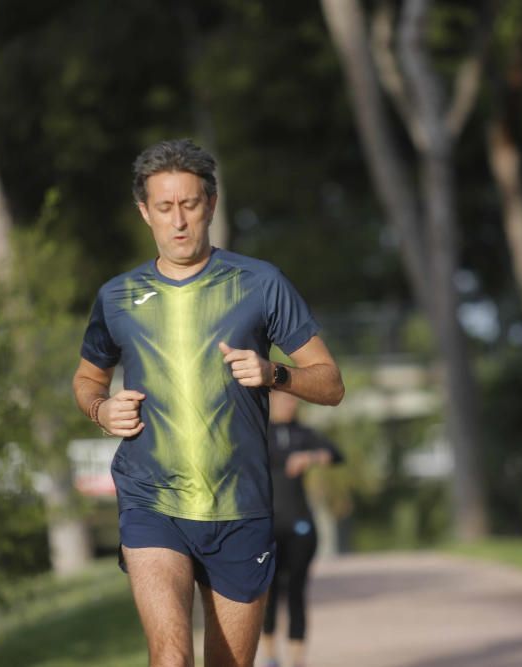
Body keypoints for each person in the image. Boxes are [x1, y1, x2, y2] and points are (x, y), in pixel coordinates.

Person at [72, 138, 344, 667]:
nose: (178, 222)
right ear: (144, 212)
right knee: (171, 657)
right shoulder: (117, 297)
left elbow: (331, 383)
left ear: (211, 205)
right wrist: (100, 410)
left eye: (190, 205)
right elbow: (87, 378)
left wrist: (274, 373)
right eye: (165, 208)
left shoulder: (261, 283)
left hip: (239, 507)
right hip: (152, 502)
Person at [259, 390, 343, 667]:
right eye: (282, 399)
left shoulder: (303, 434)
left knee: (296, 591)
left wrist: (311, 457)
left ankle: (297, 660)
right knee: (268, 593)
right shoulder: (259, 431)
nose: (288, 404)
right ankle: (270, 656)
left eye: (292, 400)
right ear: (270, 401)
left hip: (300, 524)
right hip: (267, 527)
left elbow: (336, 454)